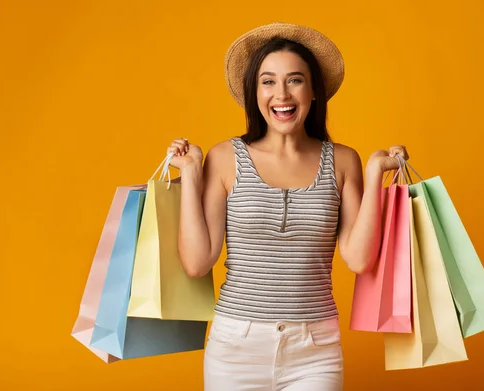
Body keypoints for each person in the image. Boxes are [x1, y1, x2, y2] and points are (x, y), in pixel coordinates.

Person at [166, 23, 409, 391]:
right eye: (268, 81)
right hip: (236, 347)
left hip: (315, 349)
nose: (282, 94)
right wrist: (191, 174)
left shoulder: (343, 162)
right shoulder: (224, 158)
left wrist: (375, 172)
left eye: (295, 80)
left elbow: (359, 260)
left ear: (313, 92)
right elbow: (198, 262)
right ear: (254, 92)